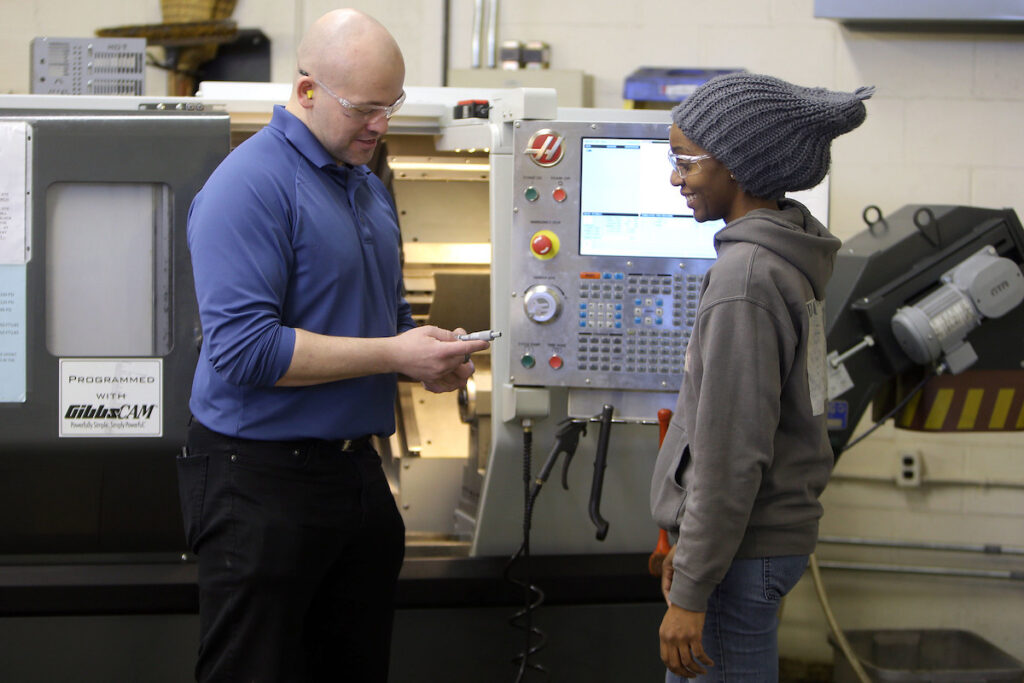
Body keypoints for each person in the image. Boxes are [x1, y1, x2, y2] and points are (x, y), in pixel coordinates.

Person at [176, 9, 489, 682]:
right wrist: (393, 355)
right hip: (259, 481)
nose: (380, 125)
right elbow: (245, 351)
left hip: (354, 478)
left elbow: (387, 318)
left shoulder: (367, 190)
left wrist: (429, 361)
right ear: (306, 89)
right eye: (364, 108)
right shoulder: (249, 186)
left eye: (391, 106)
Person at [649, 72, 874, 681]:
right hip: (754, 544)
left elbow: (730, 451)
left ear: (738, 167)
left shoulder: (744, 279)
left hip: (741, 550)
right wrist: (683, 539)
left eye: (686, 163)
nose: (676, 179)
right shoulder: (785, 257)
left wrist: (694, 584)